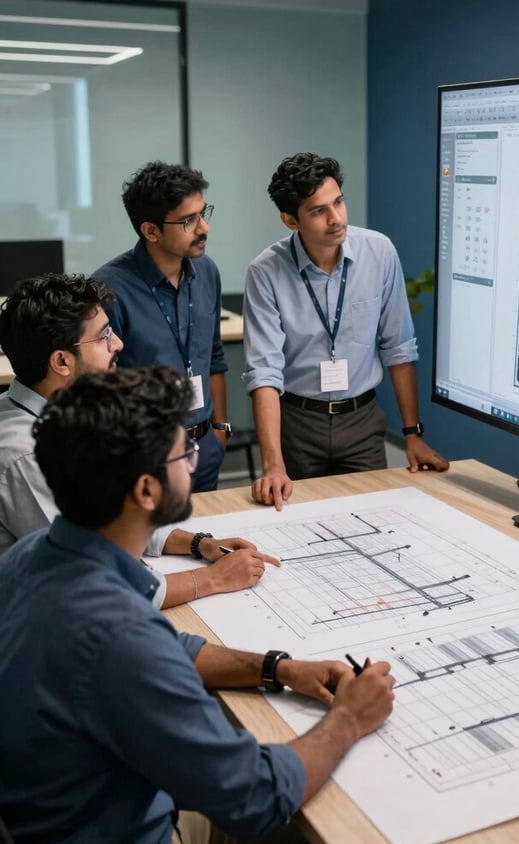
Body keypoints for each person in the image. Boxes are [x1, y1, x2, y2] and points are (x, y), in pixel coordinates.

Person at [0, 366, 395, 842]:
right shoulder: (120, 638)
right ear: (146, 490)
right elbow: (255, 797)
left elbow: (168, 646)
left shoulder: (34, 554)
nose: (192, 463)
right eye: (182, 452)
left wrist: (279, 668)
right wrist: (348, 718)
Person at [0, 273, 277, 609]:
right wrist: (213, 579)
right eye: (103, 337)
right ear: (61, 361)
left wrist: (198, 544)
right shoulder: (24, 455)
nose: (118, 344)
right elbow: (93, 578)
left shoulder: (67, 412)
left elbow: (112, 519)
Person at [243, 152, 449, 510]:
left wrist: (412, 434)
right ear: (290, 219)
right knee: (297, 527)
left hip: (362, 421)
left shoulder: (379, 252)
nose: (336, 218)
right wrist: (273, 465)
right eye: (318, 210)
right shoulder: (265, 272)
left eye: (338, 202)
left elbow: (399, 347)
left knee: (374, 520)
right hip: (298, 423)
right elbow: (264, 372)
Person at [93, 161, 229, 491]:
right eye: (188, 220)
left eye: (203, 213)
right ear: (151, 231)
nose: (204, 228)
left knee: (206, 540)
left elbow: (213, 355)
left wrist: (220, 428)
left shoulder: (206, 271)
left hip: (204, 447)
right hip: (146, 459)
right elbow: (100, 388)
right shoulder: (109, 290)